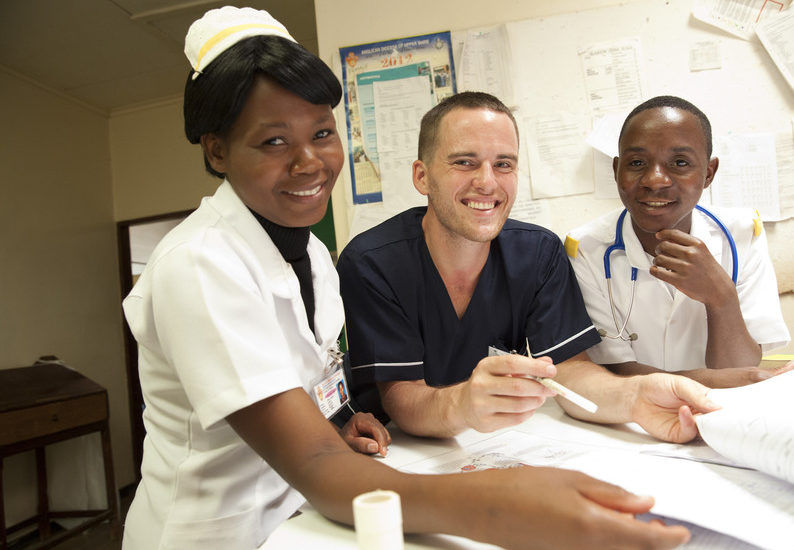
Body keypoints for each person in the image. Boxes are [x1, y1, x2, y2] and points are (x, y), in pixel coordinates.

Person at [121, 7, 696, 549]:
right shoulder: (200, 265)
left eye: (322, 133)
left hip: (306, 512)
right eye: (273, 141)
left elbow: (305, 388)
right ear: (217, 151)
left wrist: (338, 421)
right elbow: (319, 466)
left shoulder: (312, 258)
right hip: (220, 531)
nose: (308, 162)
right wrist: (499, 506)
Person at [337, 91, 719, 442]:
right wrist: (464, 403)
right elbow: (401, 397)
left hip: (500, 443)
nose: (487, 182)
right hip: (402, 450)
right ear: (422, 176)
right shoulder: (373, 263)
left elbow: (570, 372)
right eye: (464, 162)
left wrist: (637, 396)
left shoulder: (537, 255)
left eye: (503, 164)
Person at [565, 95, 792, 388]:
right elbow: (615, 369)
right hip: (630, 419)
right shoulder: (585, 249)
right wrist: (709, 380)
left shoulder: (743, 235)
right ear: (616, 170)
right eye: (636, 162)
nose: (655, 180)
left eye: (680, 162)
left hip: (720, 414)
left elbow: (738, 370)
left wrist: (720, 297)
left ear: (708, 173)